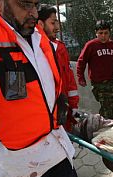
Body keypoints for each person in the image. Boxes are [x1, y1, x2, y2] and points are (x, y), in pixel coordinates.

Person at [0, 0, 77, 177]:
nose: (34, 14)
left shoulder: (39, 35)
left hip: (59, 151)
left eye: (36, 5)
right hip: (19, 166)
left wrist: (73, 118)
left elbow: (49, 92)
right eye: (24, 5)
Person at [38, 4, 79, 132]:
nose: (57, 27)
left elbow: (69, 78)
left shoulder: (60, 47)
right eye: (52, 23)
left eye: (57, 22)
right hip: (46, 113)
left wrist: (73, 104)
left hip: (64, 110)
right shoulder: (34, 50)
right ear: (40, 24)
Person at [76, 20, 113, 119]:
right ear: (96, 33)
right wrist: (81, 77)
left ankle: (107, 121)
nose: (103, 36)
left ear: (109, 33)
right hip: (98, 83)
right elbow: (81, 61)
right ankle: (105, 124)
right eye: (100, 33)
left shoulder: (112, 44)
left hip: (111, 80)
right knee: (107, 108)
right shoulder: (91, 45)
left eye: (106, 33)